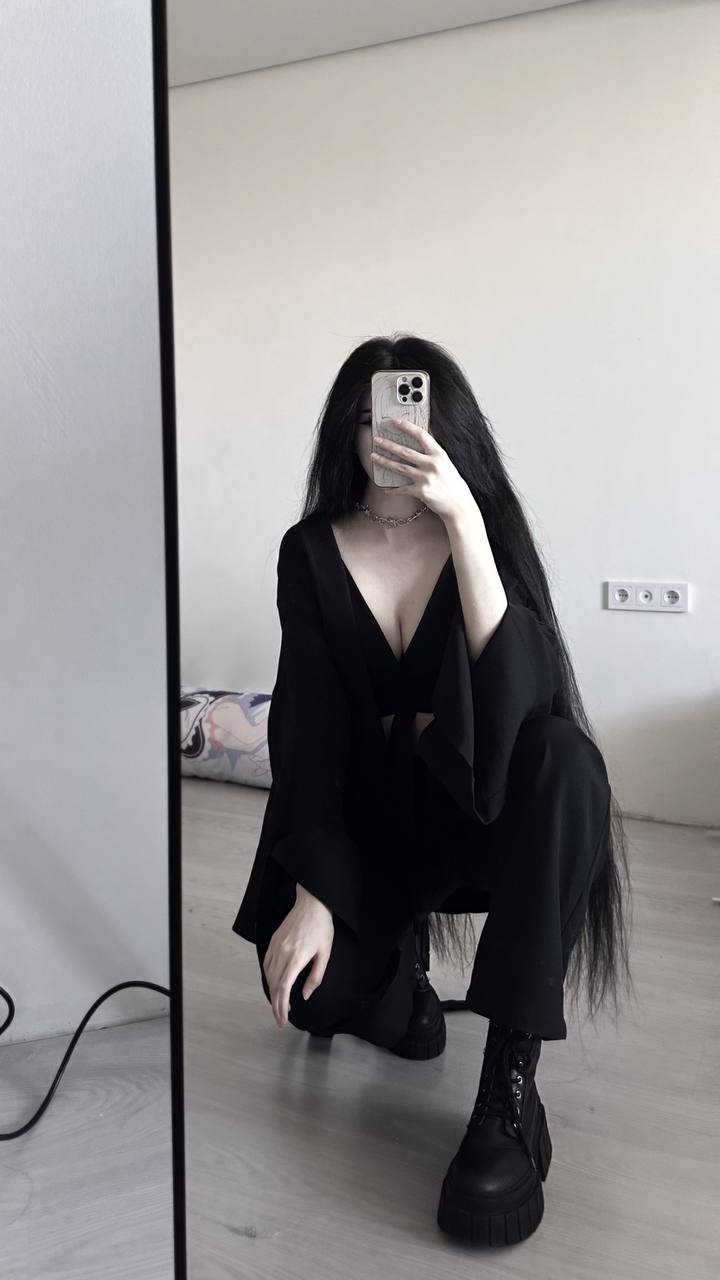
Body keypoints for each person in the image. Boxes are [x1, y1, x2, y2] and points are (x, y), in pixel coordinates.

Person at [231, 333, 635, 1247]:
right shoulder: (311, 551)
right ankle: (404, 978)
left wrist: (464, 525)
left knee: (566, 760)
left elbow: (521, 706)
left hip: (479, 822)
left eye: (407, 415)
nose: (388, 437)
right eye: (367, 419)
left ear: (447, 427)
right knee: (313, 998)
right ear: (346, 431)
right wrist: (313, 895)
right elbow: (308, 733)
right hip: (372, 836)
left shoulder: (482, 532)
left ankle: (508, 1091)